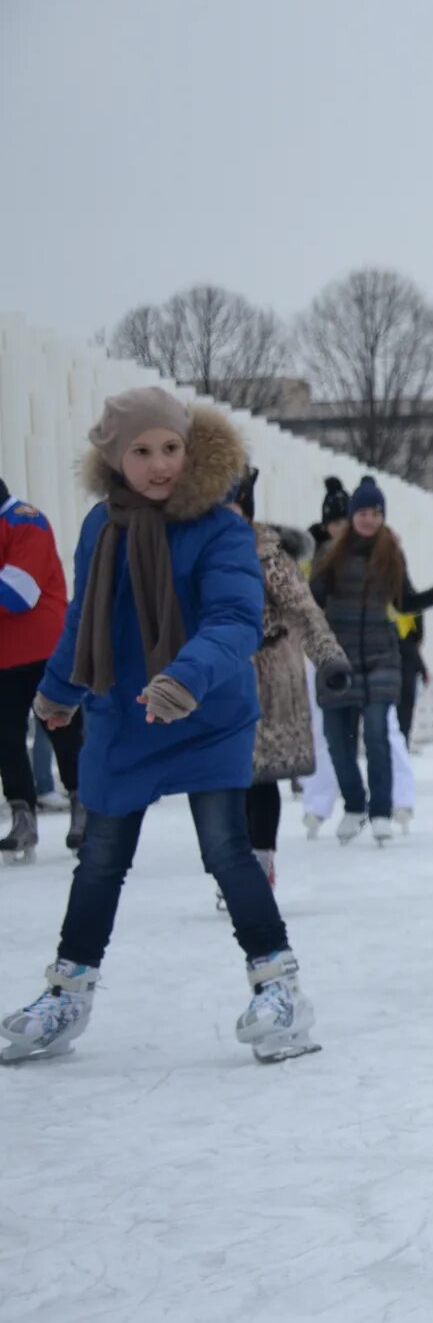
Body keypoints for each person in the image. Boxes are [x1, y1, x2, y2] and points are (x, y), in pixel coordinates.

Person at [3, 390, 317, 1065]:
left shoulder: (222, 527)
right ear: (115, 458)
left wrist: (185, 677)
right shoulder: (99, 526)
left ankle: (279, 985)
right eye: (141, 451)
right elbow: (85, 615)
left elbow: (235, 619)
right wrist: (57, 693)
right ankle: (69, 991)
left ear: (190, 447)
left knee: (226, 849)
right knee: (101, 858)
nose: (159, 464)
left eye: (170, 447)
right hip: (124, 716)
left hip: (208, 714)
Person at [309, 477, 433, 842]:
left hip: (380, 656)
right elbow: (313, 599)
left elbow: (404, 602)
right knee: (337, 741)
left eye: (376, 512)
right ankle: (356, 804)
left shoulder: (391, 553)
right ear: (353, 515)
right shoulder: (331, 554)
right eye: (362, 511)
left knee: (377, 734)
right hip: (338, 660)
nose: (369, 518)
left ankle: (380, 811)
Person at [232, 468, 352, 887]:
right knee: (226, 779)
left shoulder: (268, 554)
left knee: (260, 774)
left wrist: (329, 657)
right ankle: (232, 862)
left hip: (269, 678)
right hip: (218, 677)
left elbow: (303, 610)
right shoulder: (193, 553)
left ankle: (260, 860)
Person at [3, 476, 75, 862]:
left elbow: (18, 593)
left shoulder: (25, 520)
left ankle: (83, 809)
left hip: (45, 648)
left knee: (61, 728)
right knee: (6, 739)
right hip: (3, 654)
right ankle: (22, 816)